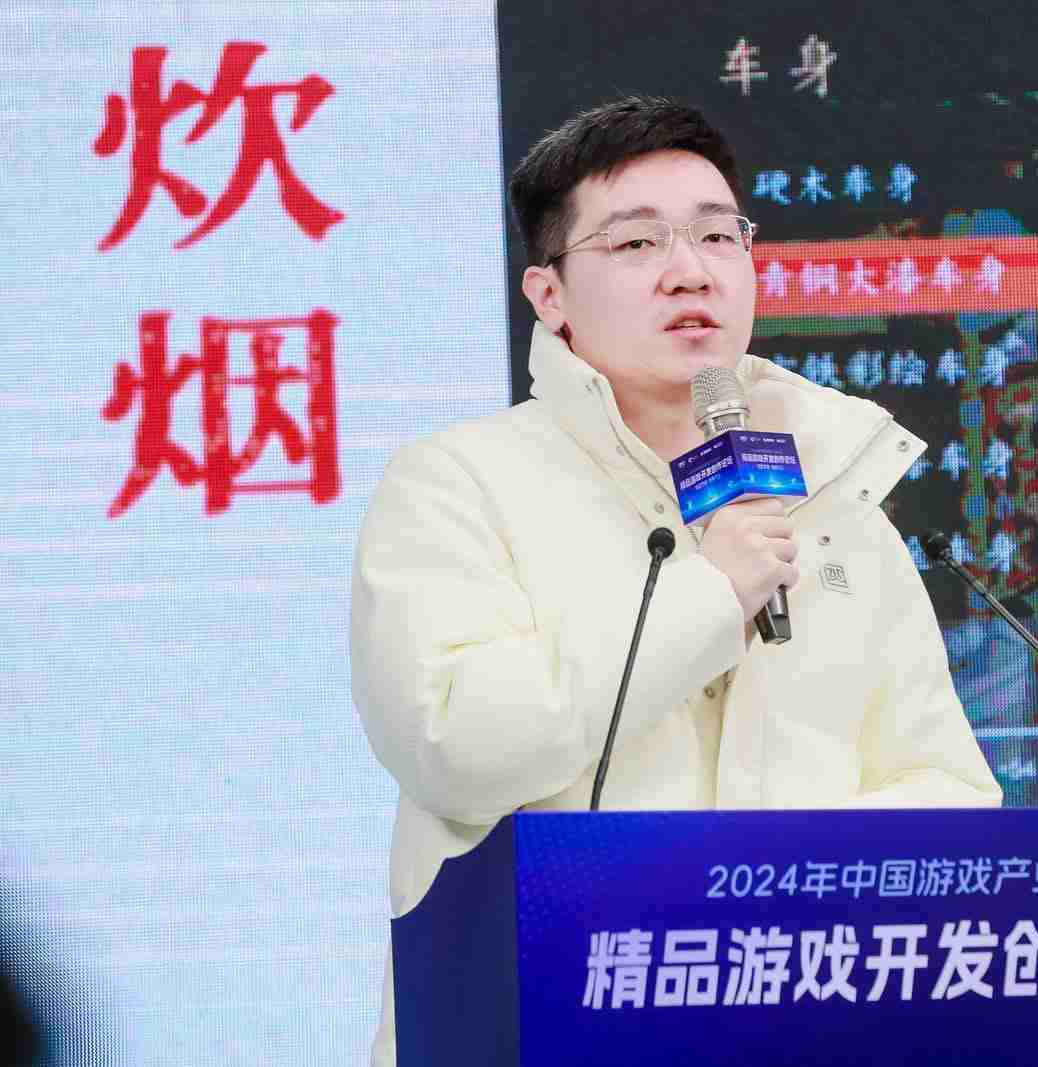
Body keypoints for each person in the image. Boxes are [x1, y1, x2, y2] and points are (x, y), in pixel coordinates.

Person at [349, 96, 1001, 1065]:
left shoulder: (832, 501)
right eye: (635, 242)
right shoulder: (456, 483)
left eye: (717, 235)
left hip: (796, 1026)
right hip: (541, 1029)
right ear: (549, 295)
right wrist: (709, 598)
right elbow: (456, 741)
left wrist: (776, 906)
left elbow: (947, 790)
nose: (689, 269)